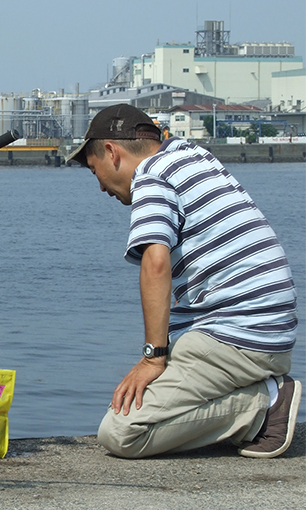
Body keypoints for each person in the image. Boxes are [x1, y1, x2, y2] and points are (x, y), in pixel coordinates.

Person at [68, 103, 301, 459]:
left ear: (112, 153)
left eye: (94, 171)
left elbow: (156, 263)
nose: (101, 188)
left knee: (121, 433)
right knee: (143, 395)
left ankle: (263, 406)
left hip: (236, 337)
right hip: (267, 330)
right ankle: (259, 391)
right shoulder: (190, 155)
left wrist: (153, 357)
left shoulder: (151, 175)